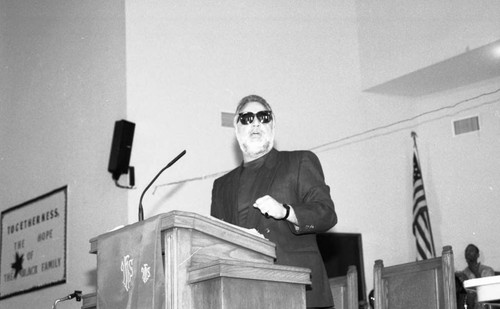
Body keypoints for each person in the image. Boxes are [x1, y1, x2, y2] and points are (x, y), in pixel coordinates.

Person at [210, 94, 338, 309]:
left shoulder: (299, 162)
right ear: (236, 127)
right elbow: (215, 242)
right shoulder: (221, 185)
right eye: (247, 118)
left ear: (273, 124)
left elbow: (326, 213)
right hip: (241, 294)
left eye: (263, 116)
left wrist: (286, 212)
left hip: (296, 292)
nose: (256, 123)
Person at [456, 244, 495, 309]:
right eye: (466, 251)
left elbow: (489, 293)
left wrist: (476, 273)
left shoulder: (487, 270)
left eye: (471, 250)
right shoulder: (463, 274)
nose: (468, 253)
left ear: (478, 255)